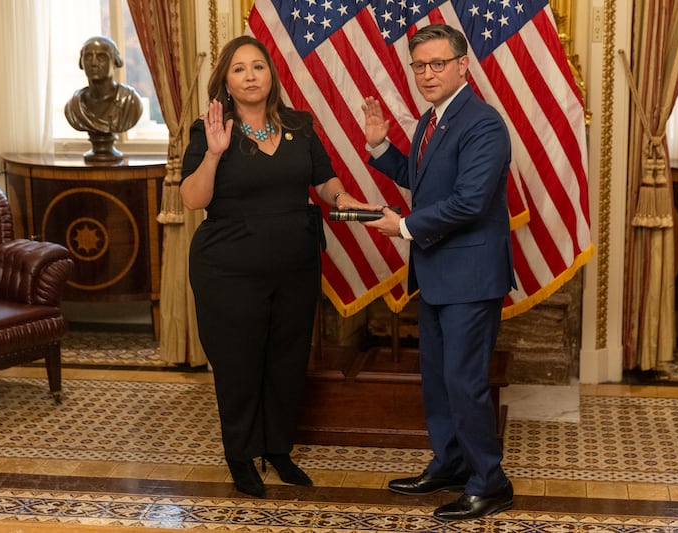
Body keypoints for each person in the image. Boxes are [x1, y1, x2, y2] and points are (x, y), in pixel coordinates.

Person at [180, 35, 376, 499]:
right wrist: (213, 152)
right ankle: (242, 455)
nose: (251, 76)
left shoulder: (298, 125)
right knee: (240, 363)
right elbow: (192, 200)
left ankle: (278, 449)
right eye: (240, 69)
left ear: (272, 75)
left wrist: (349, 202)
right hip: (229, 270)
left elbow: (324, 181)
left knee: (287, 360)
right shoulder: (208, 129)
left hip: (295, 264)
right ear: (225, 82)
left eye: (259, 67)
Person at [361, 24, 516, 521]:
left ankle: (490, 482)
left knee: (464, 381)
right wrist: (383, 149)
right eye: (419, 65)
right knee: (438, 381)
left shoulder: (483, 123)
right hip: (436, 274)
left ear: (463, 65)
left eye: (437, 64)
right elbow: (424, 180)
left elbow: (469, 201)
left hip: (470, 276)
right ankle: (451, 463)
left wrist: (403, 226)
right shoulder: (433, 120)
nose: (427, 74)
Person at [64, 36, 143, 134]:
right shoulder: (74, 106)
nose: (94, 63)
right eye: (88, 57)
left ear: (115, 61)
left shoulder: (130, 102)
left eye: (101, 57)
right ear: (81, 62)